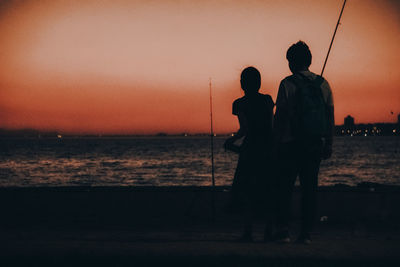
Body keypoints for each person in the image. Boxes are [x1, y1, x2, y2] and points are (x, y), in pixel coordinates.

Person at [274, 41, 335, 244]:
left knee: (285, 188)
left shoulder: (287, 84)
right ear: (309, 60)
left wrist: (276, 142)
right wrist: (329, 143)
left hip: (290, 144)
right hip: (314, 143)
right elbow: (329, 115)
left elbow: (280, 116)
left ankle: (283, 231)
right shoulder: (322, 83)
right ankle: (305, 234)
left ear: (291, 62)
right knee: (310, 189)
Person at [224, 66, 275, 242]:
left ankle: (248, 231)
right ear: (259, 82)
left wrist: (231, 141)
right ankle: (269, 231)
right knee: (267, 190)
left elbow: (244, 129)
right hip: (267, 147)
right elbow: (271, 124)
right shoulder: (268, 100)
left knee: (247, 191)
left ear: (242, 84)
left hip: (250, 149)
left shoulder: (239, 103)